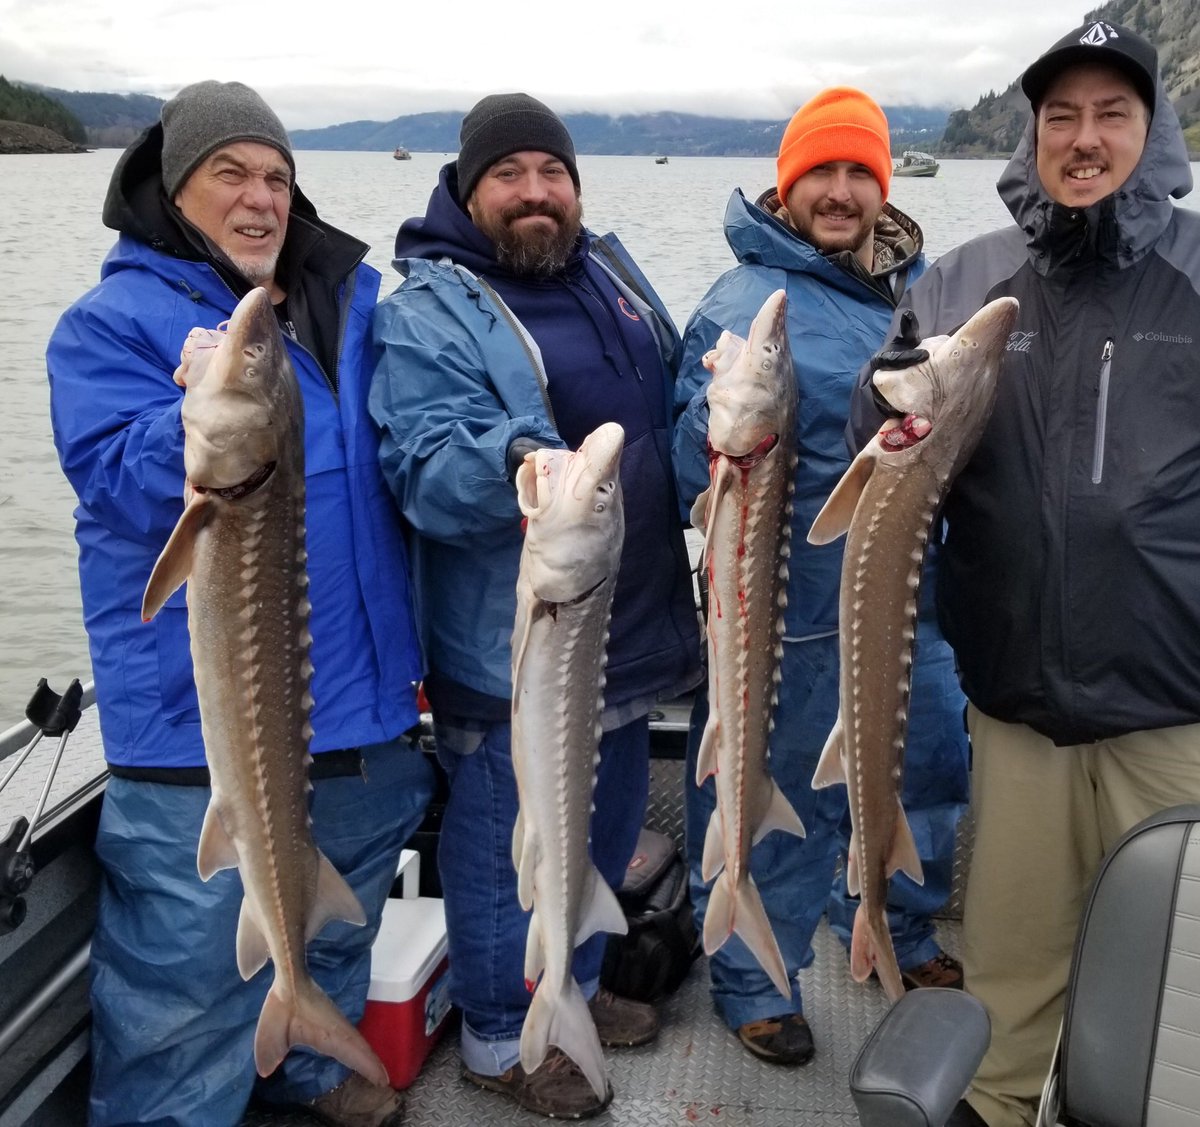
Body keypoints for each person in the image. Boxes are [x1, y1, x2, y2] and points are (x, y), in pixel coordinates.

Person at [46, 81, 433, 1127]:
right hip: (195, 740)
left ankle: (305, 1059)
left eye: (277, 175)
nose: (260, 198)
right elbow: (120, 484)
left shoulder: (354, 308)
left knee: (333, 935)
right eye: (232, 174)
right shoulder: (107, 325)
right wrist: (194, 412)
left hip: (366, 721)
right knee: (180, 1007)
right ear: (176, 189)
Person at [847, 22, 1200, 1127]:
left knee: (1177, 994)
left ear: (1157, 129)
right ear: (1031, 133)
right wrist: (880, 398)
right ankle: (1001, 1108)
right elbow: (890, 452)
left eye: (1111, 114)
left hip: (1174, 709)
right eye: (1060, 116)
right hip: (1016, 709)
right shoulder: (962, 279)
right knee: (1009, 982)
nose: (1084, 138)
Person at [368, 93, 701, 1119]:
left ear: (575, 184)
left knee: (604, 815)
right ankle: (496, 1031)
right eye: (508, 175)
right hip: (516, 629)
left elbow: (675, 384)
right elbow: (423, 468)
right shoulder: (426, 307)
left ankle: (576, 983)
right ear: (470, 192)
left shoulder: (609, 266)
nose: (534, 193)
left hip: (631, 613)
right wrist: (512, 463)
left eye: (550, 172)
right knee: (504, 827)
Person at [672, 87, 969, 1068]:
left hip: (914, 604)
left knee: (926, 772)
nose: (840, 193)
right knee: (780, 798)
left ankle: (902, 926)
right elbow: (694, 470)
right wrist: (705, 424)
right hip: (793, 617)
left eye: (859, 173)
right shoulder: (744, 302)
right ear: (789, 184)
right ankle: (755, 974)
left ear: (881, 186)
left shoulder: (923, 289)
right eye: (821, 174)